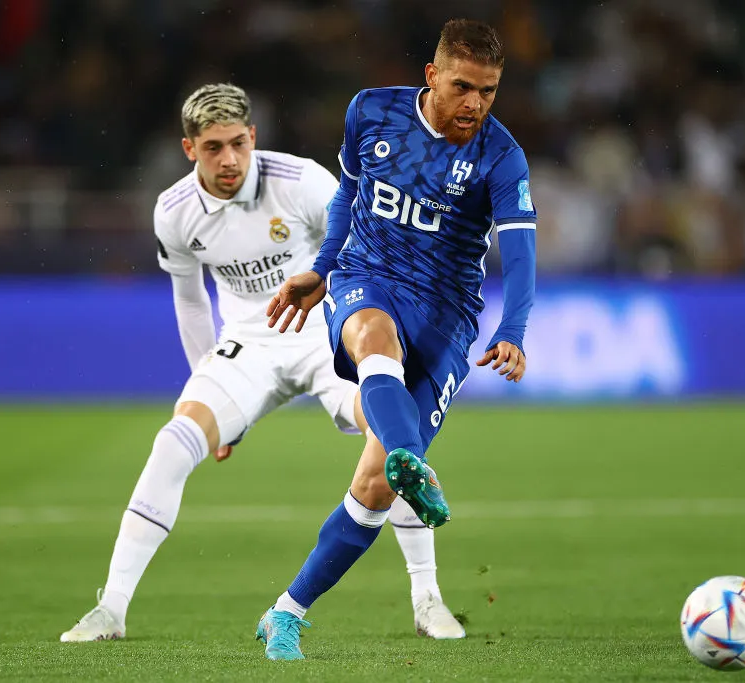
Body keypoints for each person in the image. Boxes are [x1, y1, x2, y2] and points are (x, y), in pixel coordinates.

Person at [59, 83, 465, 643]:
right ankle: (111, 609)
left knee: (395, 441)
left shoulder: (302, 181)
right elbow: (190, 300)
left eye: (237, 144)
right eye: (212, 148)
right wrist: (205, 385)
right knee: (174, 440)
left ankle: (428, 600)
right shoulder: (174, 212)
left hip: (324, 327)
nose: (228, 159)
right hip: (249, 343)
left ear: (253, 136)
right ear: (189, 149)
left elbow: (368, 246)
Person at [258, 18, 536, 660]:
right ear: (432, 75)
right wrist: (323, 268)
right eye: (463, 87)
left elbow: (521, 252)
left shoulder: (501, 156)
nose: (475, 104)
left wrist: (513, 329)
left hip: (447, 314)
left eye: (489, 91)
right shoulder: (372, 112)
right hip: (368, 277)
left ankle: (285, 612)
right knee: (372, 337)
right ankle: (414, 459)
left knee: (375, 487)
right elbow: (349, 196)